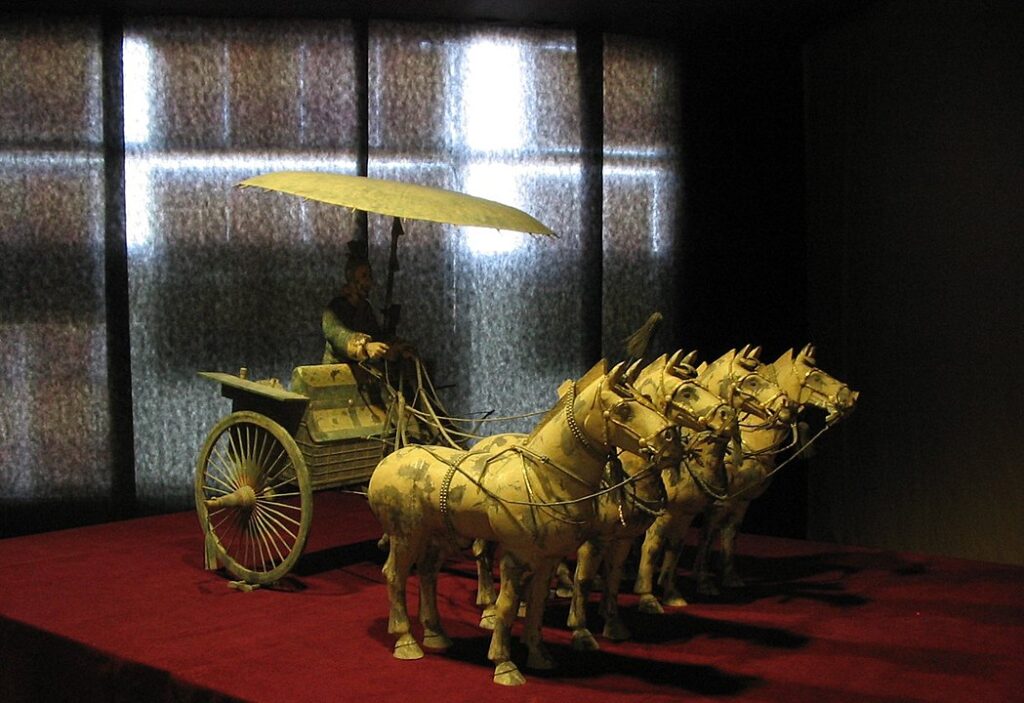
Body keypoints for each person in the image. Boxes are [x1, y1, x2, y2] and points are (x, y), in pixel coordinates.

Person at [321, 240, 391, 364]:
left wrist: (392, 347)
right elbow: (338, 335)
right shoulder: (335, 309)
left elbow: (376, 336)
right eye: (364, 276)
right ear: (352, 279)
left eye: (370, 276)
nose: (369, 282)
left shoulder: (366, 309)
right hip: (335, 375)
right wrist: (365, 346)